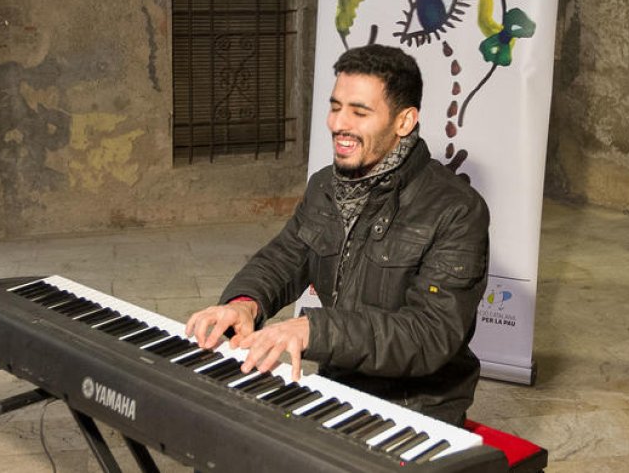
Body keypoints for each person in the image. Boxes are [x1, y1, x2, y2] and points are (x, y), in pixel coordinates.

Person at [185, 44, 490, 426]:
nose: (338, 123)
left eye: (359, 112)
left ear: (404, 121)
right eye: (335, 107)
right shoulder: (326, 186)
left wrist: (314, 329)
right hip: (338, 384)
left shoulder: (457, 210)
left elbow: (428, 335)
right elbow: (285, 257)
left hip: (417, 407)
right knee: (221, 436)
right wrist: (245, 303)